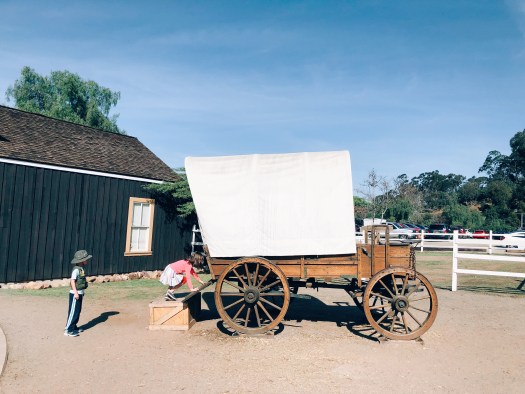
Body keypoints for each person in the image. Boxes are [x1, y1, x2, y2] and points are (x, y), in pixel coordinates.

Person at [64, 249, 91, 337]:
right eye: (86, 259)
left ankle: (73, 326)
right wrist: (75, 293)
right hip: (74, 294)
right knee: (73, 311)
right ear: (81, 261)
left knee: (77, 311)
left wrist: (81, 292)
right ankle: (68, 330)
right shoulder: (76, 270)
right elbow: (72, 281)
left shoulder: (81, 269)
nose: (87, 260)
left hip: (80, 293)